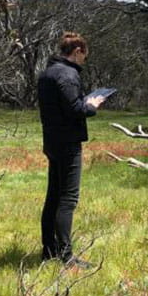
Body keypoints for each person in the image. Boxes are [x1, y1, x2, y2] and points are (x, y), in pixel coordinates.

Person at [37, 32, 105, 268]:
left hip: (52, 141)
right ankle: (67, 257)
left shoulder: (47, 73)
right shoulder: (68, 74)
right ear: (77, 52)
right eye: (84, 56)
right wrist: (92, 105)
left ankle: (48, 250)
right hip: (67, 144)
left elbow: (61, 105)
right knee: (67, 199)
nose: (84, 61)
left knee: (53, 197)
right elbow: (75, 109)